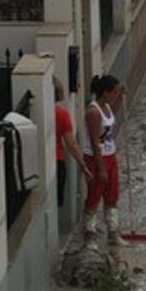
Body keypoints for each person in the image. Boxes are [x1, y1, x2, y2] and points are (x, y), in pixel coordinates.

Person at [82, 74, 125, 247]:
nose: (115, 95)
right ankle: (89, 235)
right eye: (114, 92)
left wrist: (121, 97)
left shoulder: (106, 106)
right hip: (95, 157)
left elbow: (112, 116)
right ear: (105, 93)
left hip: (110, 155)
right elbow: (94, 142)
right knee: (95, 194)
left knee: (112, 194)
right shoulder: (93, 112)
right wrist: (100, 168)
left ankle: (113, 233)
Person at [55, 76, 92, 209]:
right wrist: (83, 165)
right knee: (57, 202)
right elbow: (71, 145)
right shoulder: (62, 115)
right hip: (58, 161)